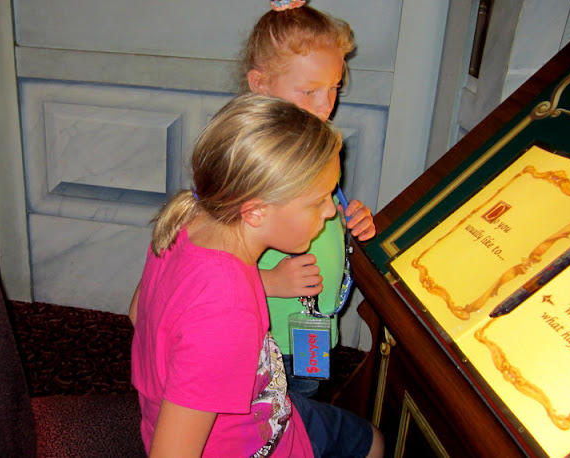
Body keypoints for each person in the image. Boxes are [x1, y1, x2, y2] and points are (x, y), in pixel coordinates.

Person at [131, 93, 383, 457]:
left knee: (370, 439)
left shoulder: (190, 219)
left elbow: (137, 313)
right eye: (317, 201)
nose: (331, 211)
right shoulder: (227, 311)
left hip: (262, 409)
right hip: (247, 444)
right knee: (370, 443)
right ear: (255, 212)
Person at [240, 0, 376, 397]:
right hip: (266, 338)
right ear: (260, 84)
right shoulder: (250, 160)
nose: (325, 104)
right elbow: (209, 260)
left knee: (305, 409)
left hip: (312, 329)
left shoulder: (319, 144)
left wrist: (350, 218)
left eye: (333, 88)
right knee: (268, 419)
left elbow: (322, 212)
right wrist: (269, 281)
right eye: (309, 90)